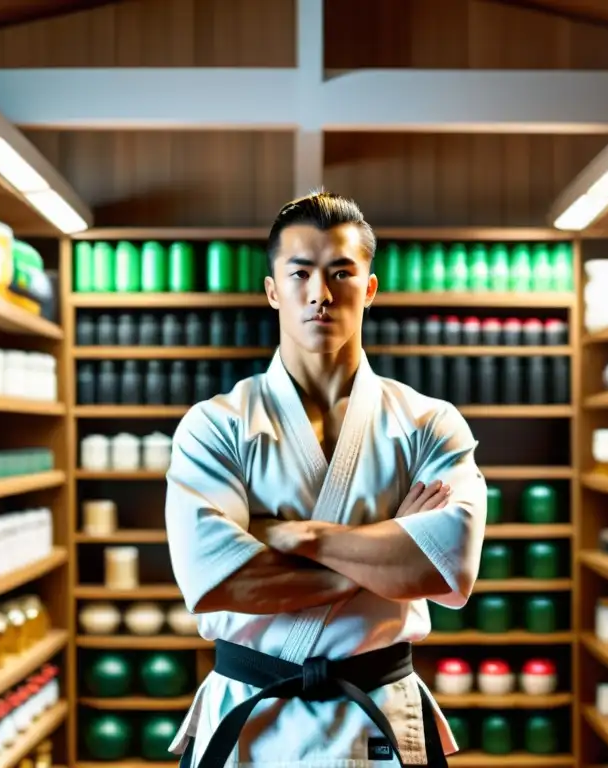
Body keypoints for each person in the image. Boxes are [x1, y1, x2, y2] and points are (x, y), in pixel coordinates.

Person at [165, 191, 487, 767]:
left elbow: (448, 568)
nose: (320, 293)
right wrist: (386, 552)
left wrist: (295, 537)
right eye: (300, 273)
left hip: (375, 713)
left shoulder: (428, 423)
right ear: (272, 291)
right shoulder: (215, 426)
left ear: (368, 288)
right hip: (252, 713)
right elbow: (215, 582)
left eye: (342, 272)